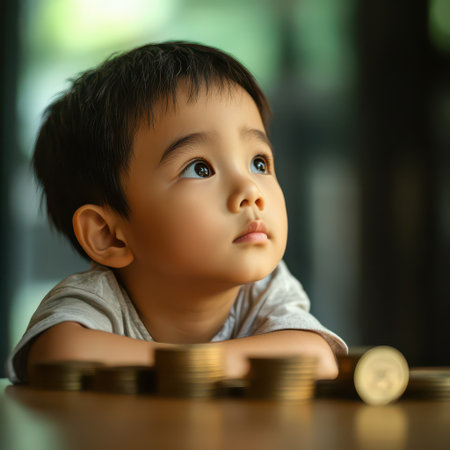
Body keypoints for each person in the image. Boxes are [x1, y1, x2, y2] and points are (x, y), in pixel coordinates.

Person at [6, 42, 346, 384]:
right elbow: (58, 354)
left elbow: (315, 356)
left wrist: (188, 366)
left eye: (259, 162)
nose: (250, 192)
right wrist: (198, 368)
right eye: (200, 168)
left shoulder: (264, 289)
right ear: (109, 234)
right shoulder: (100, 299)